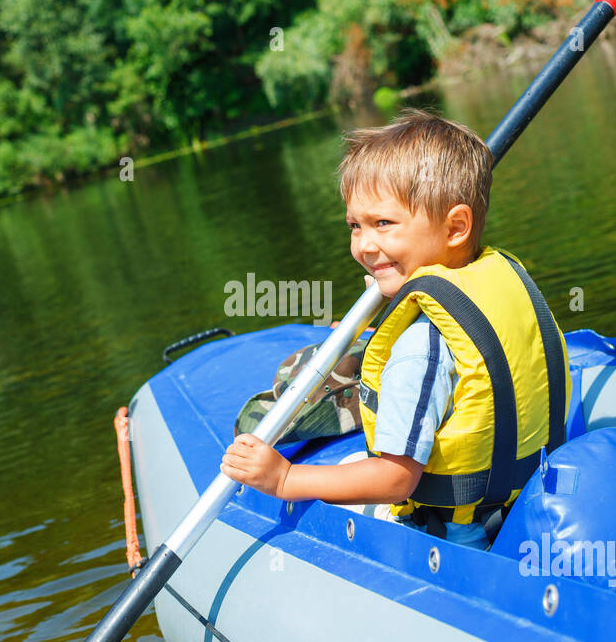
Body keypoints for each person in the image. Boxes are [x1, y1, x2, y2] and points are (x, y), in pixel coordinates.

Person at [220, 110, 571, 548]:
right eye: (354, 226)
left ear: (456, 226)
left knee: (328, 491)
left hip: (450, 536)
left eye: (383, 224)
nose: (364, 246)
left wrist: (286, 478)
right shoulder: (497, 277)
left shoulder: (418, 348)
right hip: (515, 507)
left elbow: (395, 479)